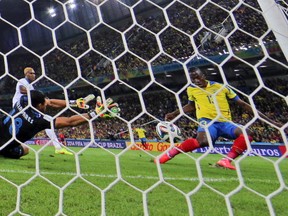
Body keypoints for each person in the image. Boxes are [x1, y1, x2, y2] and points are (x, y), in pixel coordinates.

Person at [155, 67, 283, 170]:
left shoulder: (221, 87)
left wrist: (270, 122)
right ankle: (169, 154)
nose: (196, 81)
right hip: (207, 122)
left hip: (226, 123)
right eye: (192, 79)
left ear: (203, 75)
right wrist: (175, 113)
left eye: (197, 77)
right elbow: (191, 106)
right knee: (202, 142)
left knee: (247, 133)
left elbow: (243, 104)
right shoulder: (191, 89)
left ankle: (226, 160)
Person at [0, 90, 120, 159]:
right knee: (26, 150)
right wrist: (95, 114)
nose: (47, 106)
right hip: (4, 146)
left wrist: (74, 103)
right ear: (40, 105)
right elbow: (69, 121)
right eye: (44, 105)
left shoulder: (22, 100)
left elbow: (50, 102)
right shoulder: (38, 121)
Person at [12, 67, 73, 155]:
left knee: (48, 121)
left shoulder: (31, 86)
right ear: (27, 74)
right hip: (19, 107)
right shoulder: (23, 81)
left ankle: (58, 148)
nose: (34, 75)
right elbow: (22, 90)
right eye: (32, 73)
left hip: (27, 109)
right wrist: (36, 93)